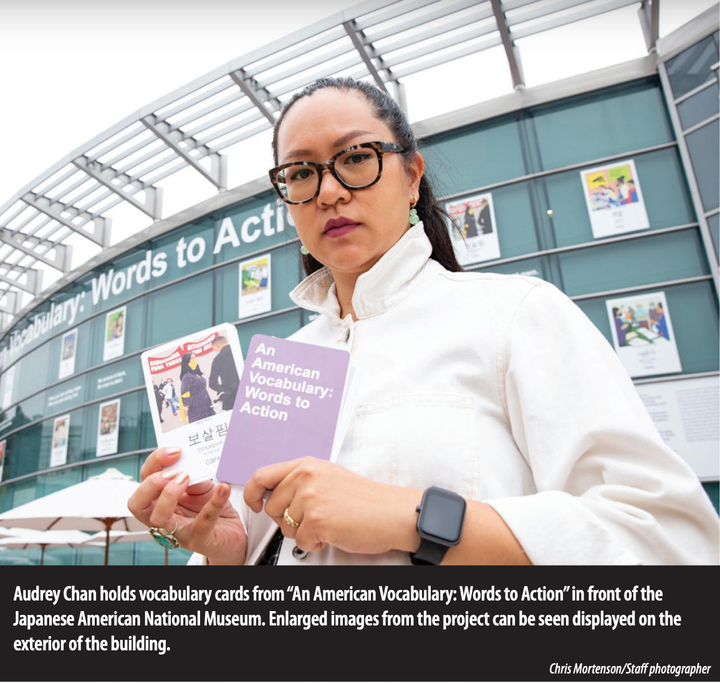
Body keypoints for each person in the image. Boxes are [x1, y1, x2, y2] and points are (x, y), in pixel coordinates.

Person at [128, 77, 719, 566]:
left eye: (355, 157)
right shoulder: (280, 365)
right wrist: (228, 551)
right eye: (301, 173)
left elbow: (669, 542)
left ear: (411, 176)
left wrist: (408, 517)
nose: (329, 190)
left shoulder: (513, 316)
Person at [179, 353, 215, 424]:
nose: (194, 360)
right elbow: (185, 393)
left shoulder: (196, 373)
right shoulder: (187, 376)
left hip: (206, 403)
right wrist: (185, 409)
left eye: (195, 357)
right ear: (187, 361)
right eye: (192, 358)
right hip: (197, 407)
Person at [208, 336, 240, 411]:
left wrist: (223, 390)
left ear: (217, 346)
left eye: (214, 349)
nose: (215, 350)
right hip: (247, 390)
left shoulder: (217, 359)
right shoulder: (237, 350)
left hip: (231, 398)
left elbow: (212, 382)